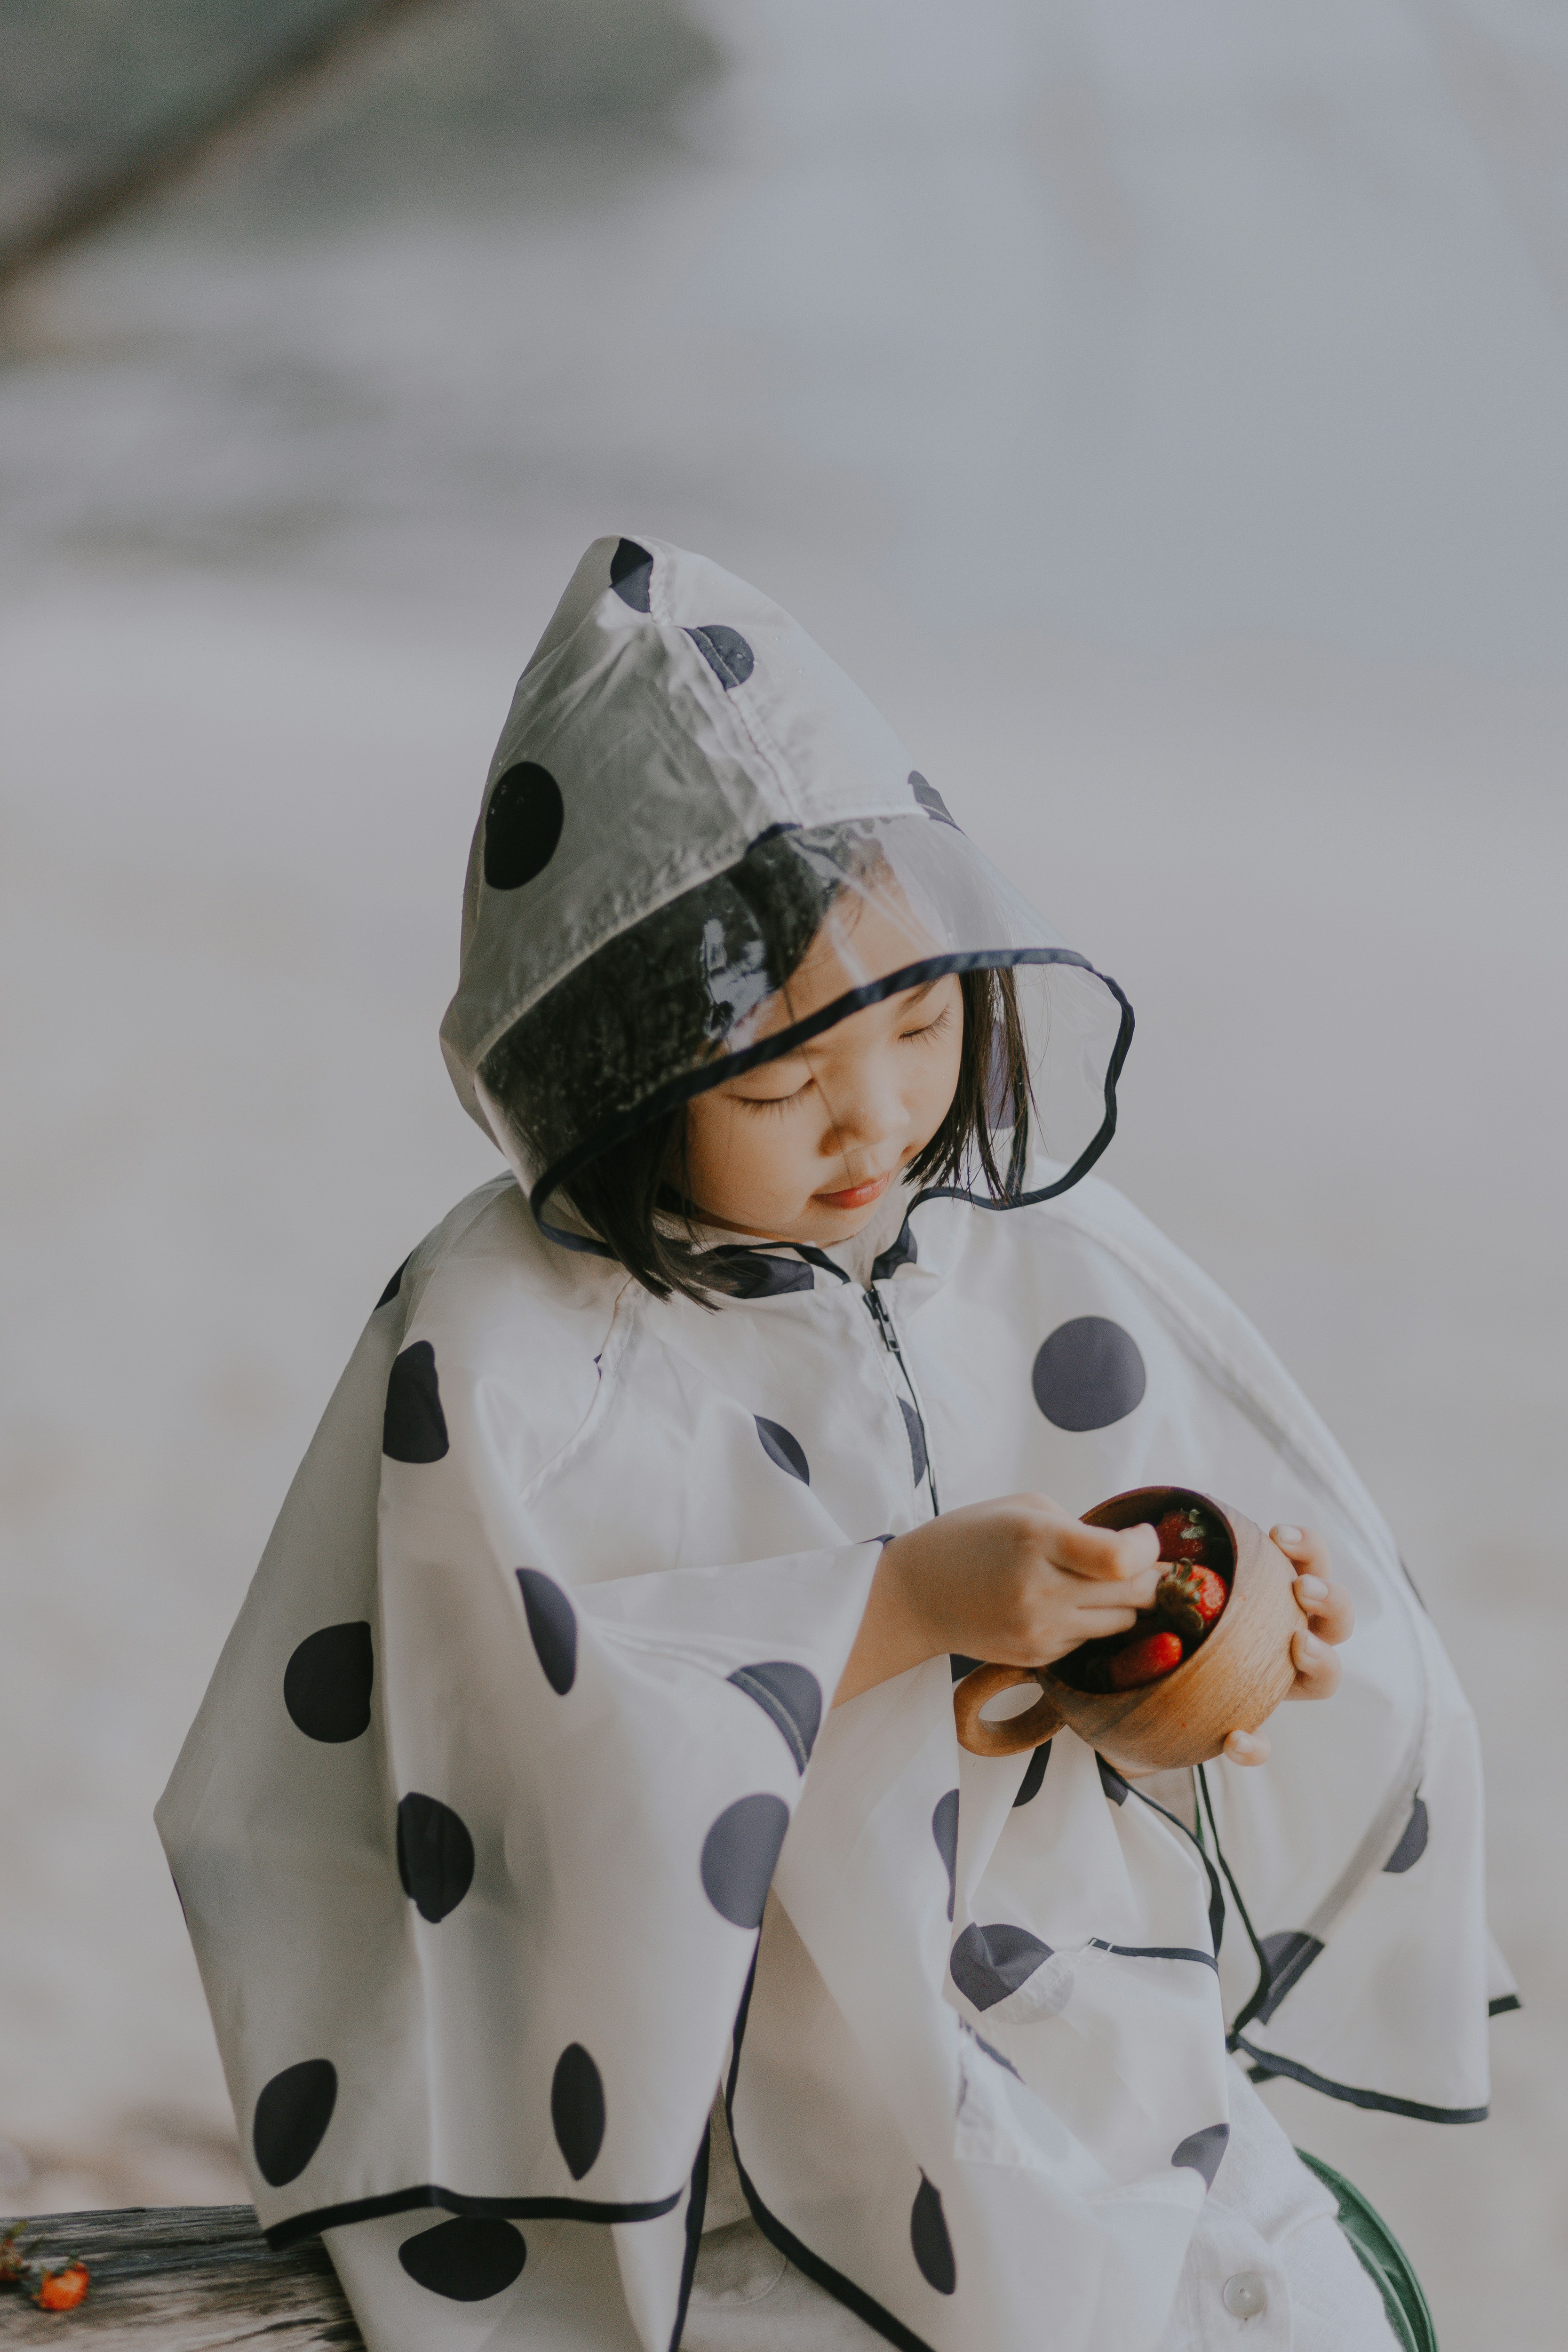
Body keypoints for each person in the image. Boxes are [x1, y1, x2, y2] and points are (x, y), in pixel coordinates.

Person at [158, 537, 1512, 2352]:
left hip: (1063, 1985)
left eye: (928, 1017)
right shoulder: (506, 1338)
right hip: (707, 2065)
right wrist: (896, 1604)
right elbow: (514, 1738)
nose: (875, 1118)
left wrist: (1240, 1638)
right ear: (612, 1074)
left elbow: (1215, 1579)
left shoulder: (1033, 1247)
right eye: (780, 1084)